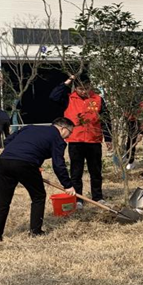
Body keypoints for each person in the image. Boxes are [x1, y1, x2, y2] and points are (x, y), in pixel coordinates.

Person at [0, 117, 76, 242]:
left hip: (5, 160)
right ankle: (36, 231)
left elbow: (7, 141)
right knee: (38, 196)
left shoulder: (29, 128)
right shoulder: (57, 138)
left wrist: (18, 154)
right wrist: (68, 185)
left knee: (2, 201)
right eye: (70, 132)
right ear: (63, 129)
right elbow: (58, 164)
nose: (69, 136)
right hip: (25, 163)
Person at [50, 73, 112, 203]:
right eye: (81, 89)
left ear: (90, 86)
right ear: (75, 88)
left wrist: (108, 138)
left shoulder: (98, 99)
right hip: (75, 141)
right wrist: (69, 80)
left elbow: (106, 120)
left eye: (86, 88)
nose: (84, 91)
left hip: (93, 140)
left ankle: (97, 197)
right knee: (76, 172)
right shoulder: (68, 98)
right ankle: (78, 199)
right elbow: (54, 96)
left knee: (95, 171)